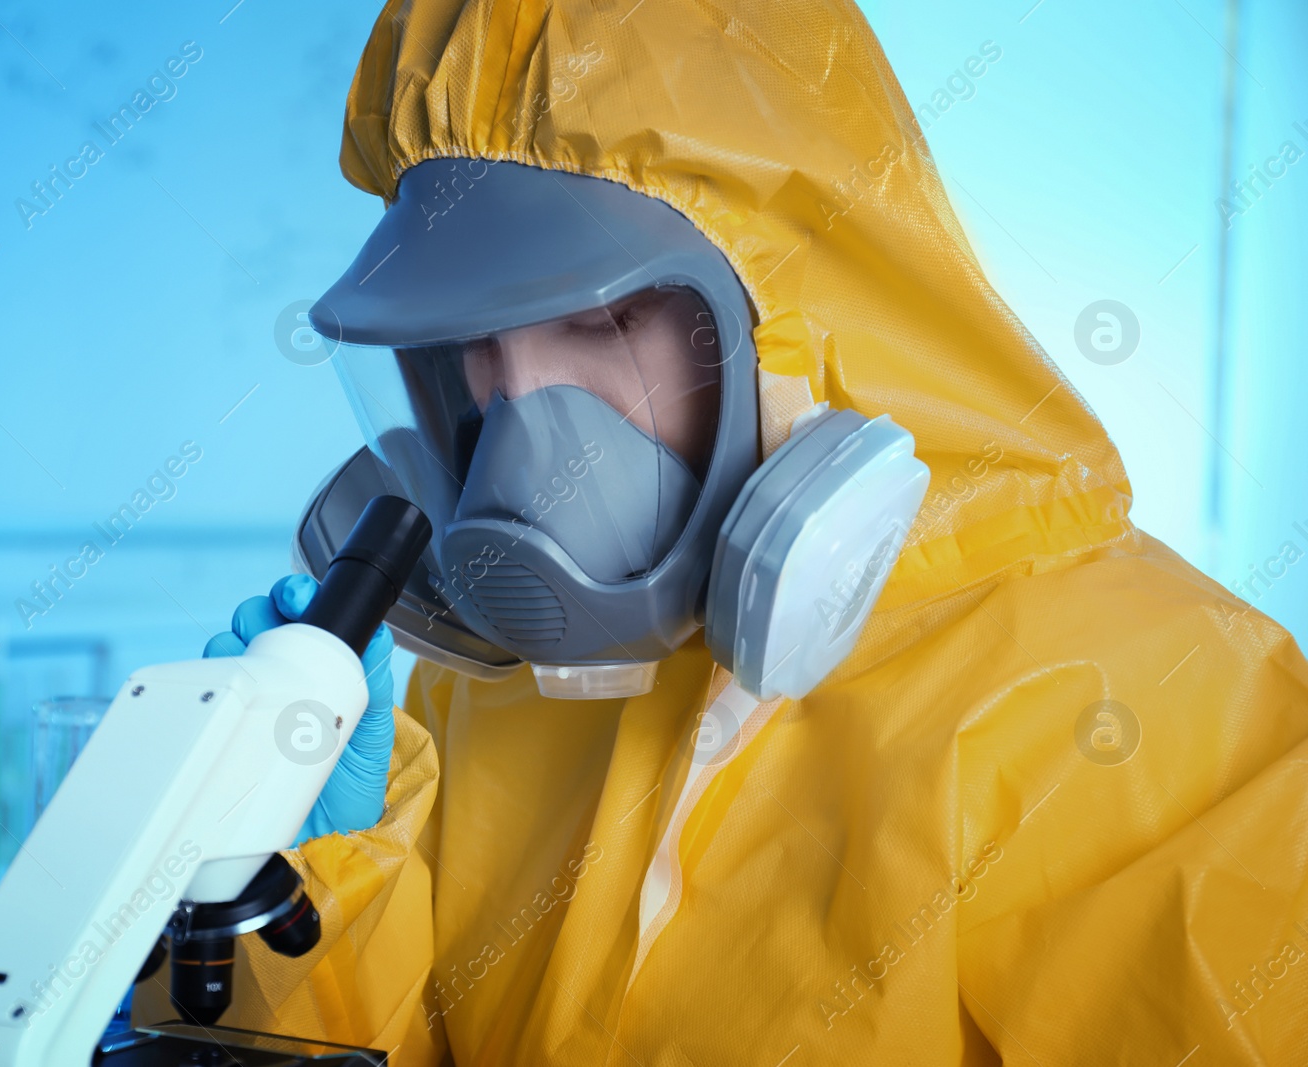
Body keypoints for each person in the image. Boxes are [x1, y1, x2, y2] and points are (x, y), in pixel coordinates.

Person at [137, 1, 1308, 1062]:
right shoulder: (480, 703)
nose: (513, 418)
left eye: (601, 319)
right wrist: (281, 886)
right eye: (462, 344)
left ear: (793, 313)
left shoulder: (1154, 699)